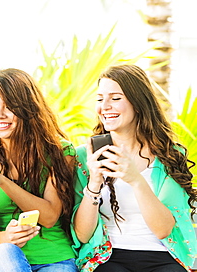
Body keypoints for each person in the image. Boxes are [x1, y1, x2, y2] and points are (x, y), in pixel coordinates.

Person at [72, 64, 197, 272]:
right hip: (108, 256)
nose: (105, 106)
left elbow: (163, 229)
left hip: (162, 255)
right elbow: (83, 235)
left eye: (115, 98)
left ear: (138, 103)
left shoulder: (168, 155)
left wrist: (135, 179)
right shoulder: (85, 156)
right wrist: (94, 183)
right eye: (100, 98)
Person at [0, 68, 79, 272]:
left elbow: (50, 216)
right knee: (8, 254)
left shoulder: (60, 151)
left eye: (9, 107)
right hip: (2, 258)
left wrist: (3, 182)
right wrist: (6, 238)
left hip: (54, 258)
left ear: (27, 108)